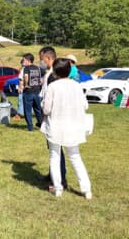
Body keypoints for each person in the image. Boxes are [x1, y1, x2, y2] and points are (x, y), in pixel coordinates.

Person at [40, 58, 92, 199]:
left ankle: (58, 188)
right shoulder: (77, 86)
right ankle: (86, 189)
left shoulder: (53, 87)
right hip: (73, 126)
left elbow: (46, 109)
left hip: (55, 125)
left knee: (54, 157)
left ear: (55, 72)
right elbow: (85, 106)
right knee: (75, 157)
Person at [38, 46, 68, 190]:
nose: (41, 62)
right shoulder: (49, 73)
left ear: (49, 58)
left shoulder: (54, 75)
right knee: (52, 149)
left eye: (42, 59)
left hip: (54, 117)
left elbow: (53, 99)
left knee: (57, 151)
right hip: (51, 116)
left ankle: (60, 179)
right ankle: (52, 174)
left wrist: (45, 112)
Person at [21, 53, 42, 131]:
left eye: (24, 60)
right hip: (37, 92)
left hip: (28, 92)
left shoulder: (26, 68)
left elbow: (26, 76)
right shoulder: (37, 68)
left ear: (28, 60)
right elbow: (40, 80)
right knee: (38, 109)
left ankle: (30, 127)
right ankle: (41, 124)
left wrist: (26, 84)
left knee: (27, 110)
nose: (23, 61)